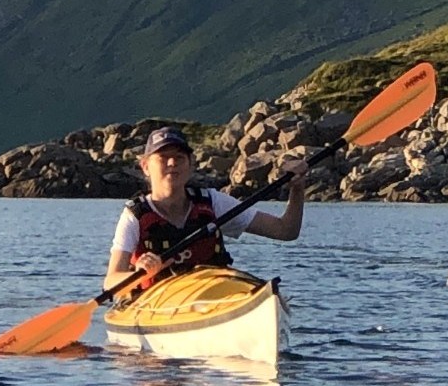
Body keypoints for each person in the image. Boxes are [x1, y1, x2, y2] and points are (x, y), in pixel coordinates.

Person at [103, 126, 307, 298]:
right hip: (157, 302)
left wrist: (297, 189)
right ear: (146, 166)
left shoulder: (213, 202)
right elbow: (110, 283)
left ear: (191, 164)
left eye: (179, 157)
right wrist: (140, 273)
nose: (172, 163)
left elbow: (286, 231)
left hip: (212, 296)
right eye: (163, 158)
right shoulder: (135, 216)